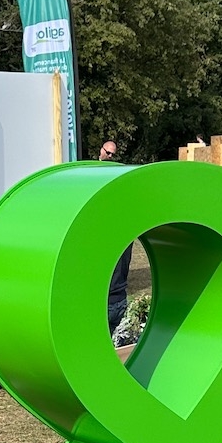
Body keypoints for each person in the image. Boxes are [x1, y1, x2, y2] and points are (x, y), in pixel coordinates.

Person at [97, 139, 134, 336]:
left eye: (113, 154)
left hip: (114, 300)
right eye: (108, 153)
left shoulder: (112, 236)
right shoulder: (125, 231)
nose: (110, 156)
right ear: (100, 151)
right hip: (113, 300)